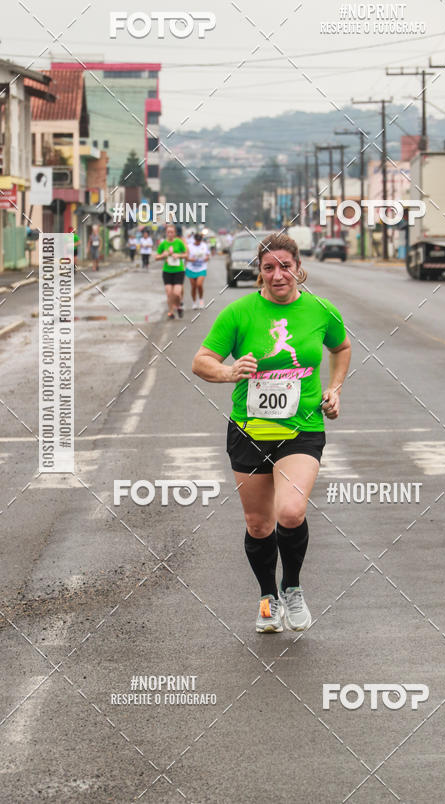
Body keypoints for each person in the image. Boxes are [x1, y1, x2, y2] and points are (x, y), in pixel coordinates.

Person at [192, 233, 351, 633]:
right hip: (249, 430)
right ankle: (268, 597)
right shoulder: (240, 313)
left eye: (285, 266)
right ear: (259, 274)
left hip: (302, 428)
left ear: (298, 267)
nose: (278, 275)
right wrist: (229, 372)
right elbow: (201, 361)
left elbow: (342, 347)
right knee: (259, 524)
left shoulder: (320, 309)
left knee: (291, 512)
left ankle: (292, 588)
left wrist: (334, 390)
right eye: (268, 268)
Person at [155, 223, 187, 319]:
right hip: (167, 271)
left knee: (177, 293)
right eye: (168, 232)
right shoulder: (163, 244)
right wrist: (163, 256)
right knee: (169, 293)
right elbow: (156, 257)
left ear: (175, 233)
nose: (170, 234)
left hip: (178, 270)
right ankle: (171, 312)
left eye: (172, 232)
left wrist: (178, 255)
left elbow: (186, 254)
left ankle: (178, 306)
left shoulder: (179, 242)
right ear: (166, 233)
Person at [185, 231, 210, 309]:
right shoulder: (189, 246)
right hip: (191, 268)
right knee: (193, 286)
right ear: (194, 239)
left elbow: (208, 256)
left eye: (200, 241)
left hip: (201, 268)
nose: (198, 242)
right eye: (197, 241)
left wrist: (205, 258)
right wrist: (190, 259)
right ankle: (194, 302)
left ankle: (201, 300)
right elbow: (186, 257)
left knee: (199, 284)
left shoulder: (204, 246)